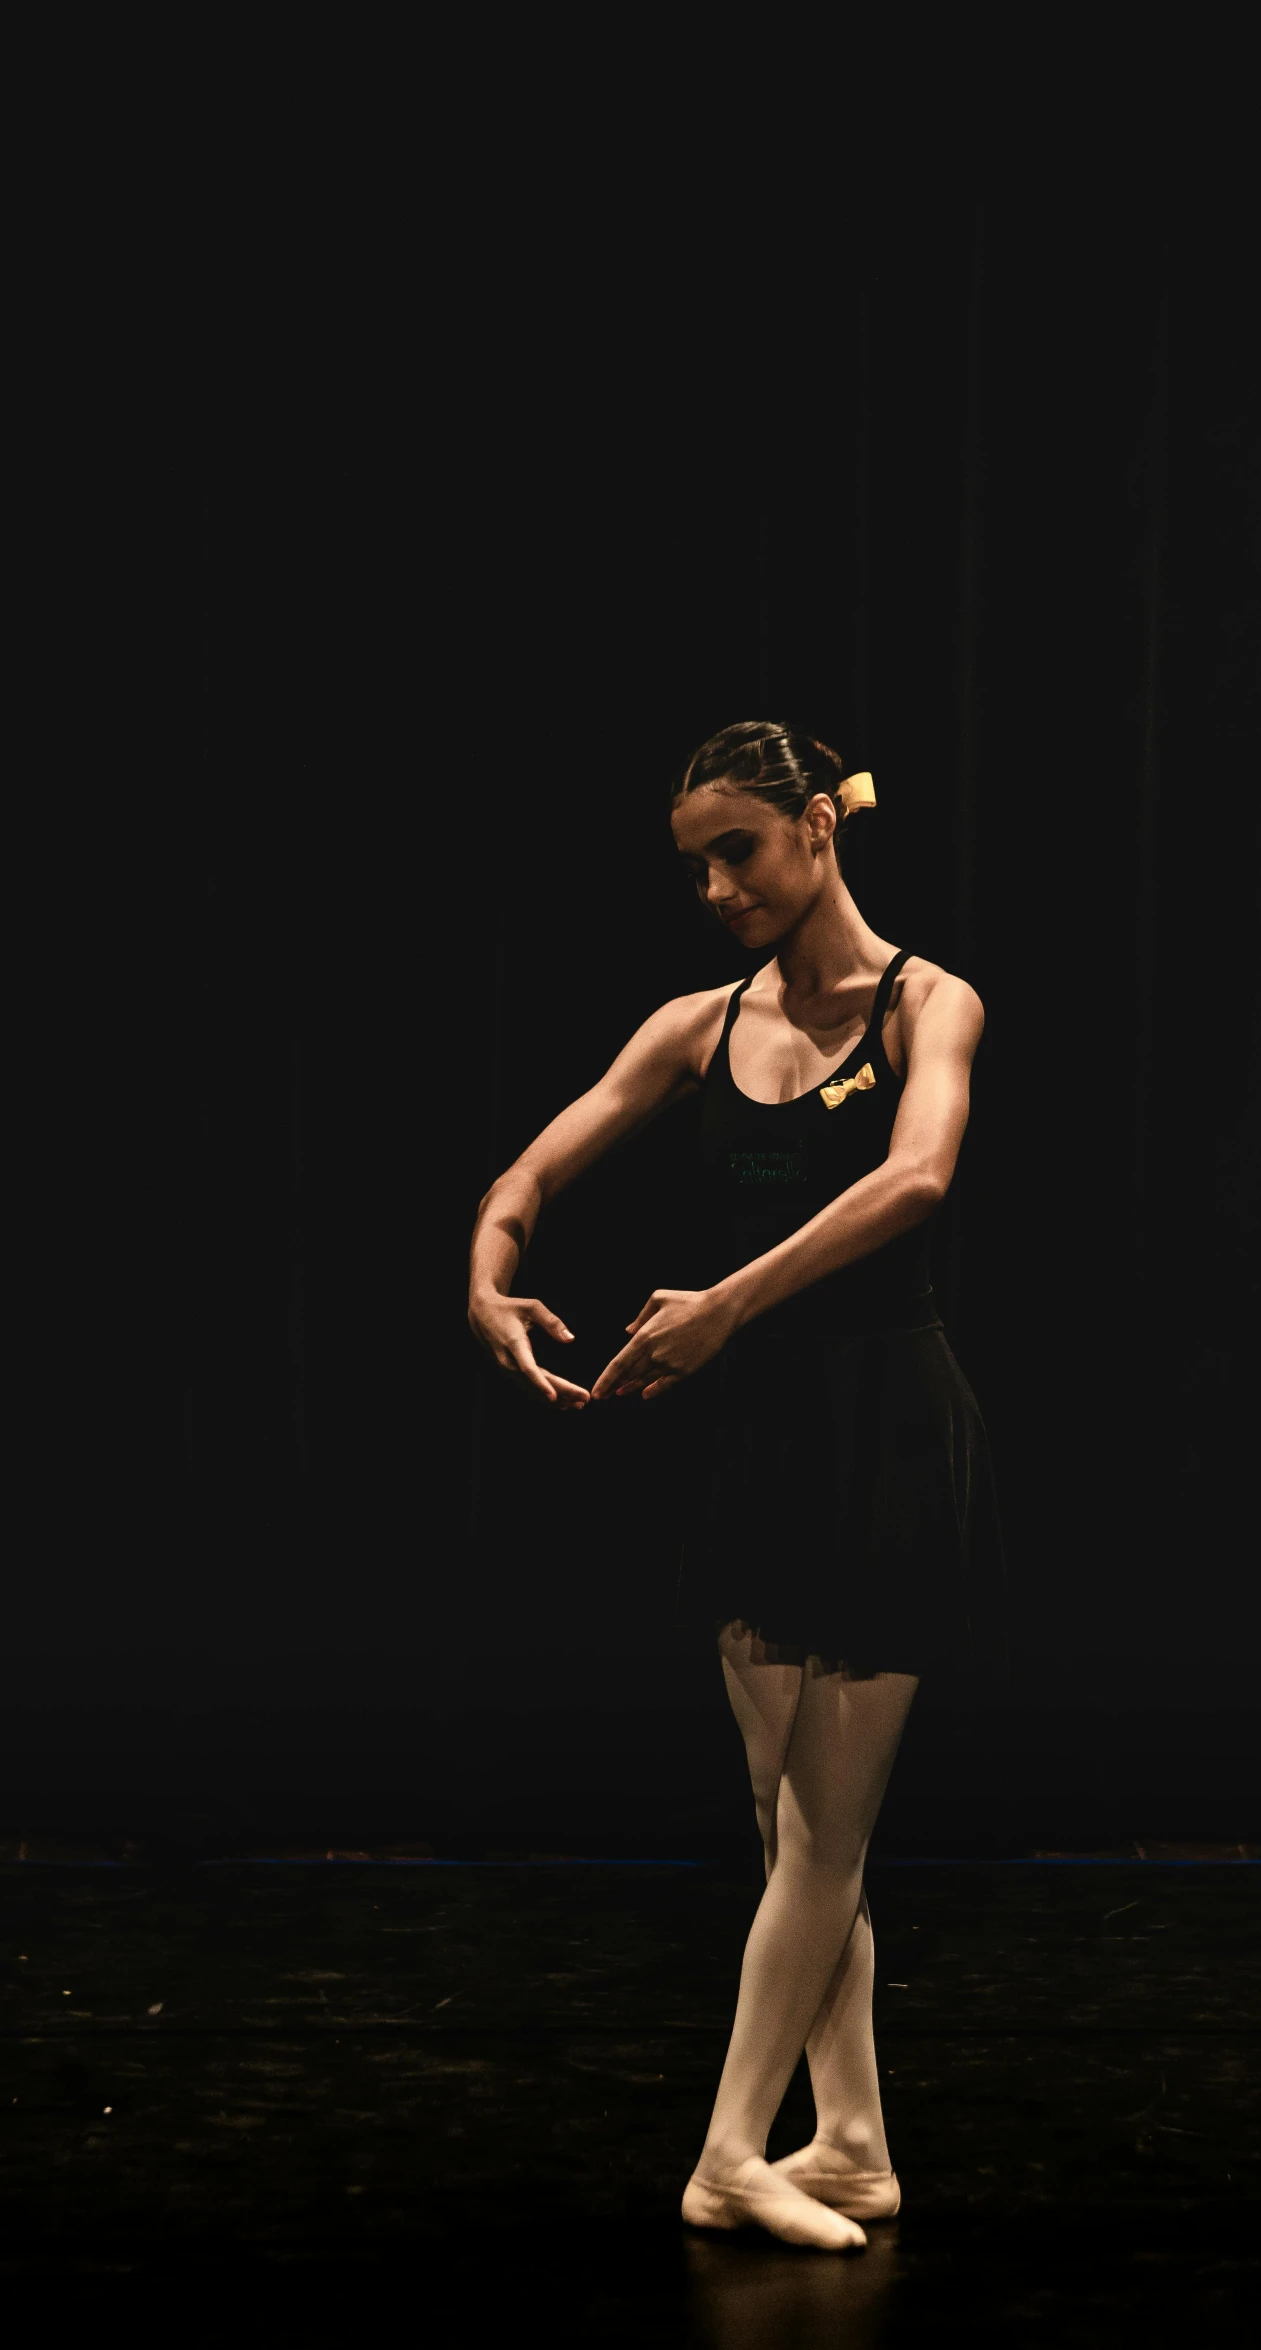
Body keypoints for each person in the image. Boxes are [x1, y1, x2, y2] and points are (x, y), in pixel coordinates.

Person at [467, 719, 1006, 2252]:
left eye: (738, 849)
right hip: (754, 1449)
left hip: (883, 1437)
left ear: (818, 830)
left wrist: (722, 1304)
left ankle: (722, 2152)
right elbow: (522, 1180)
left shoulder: (926, 1002)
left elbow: (914, 1181)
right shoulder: (694, 1026)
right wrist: (485, 1278)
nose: (714, 885)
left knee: (825, 1838)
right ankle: (846, 2141)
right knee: (791, 1840)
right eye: (695, 861)